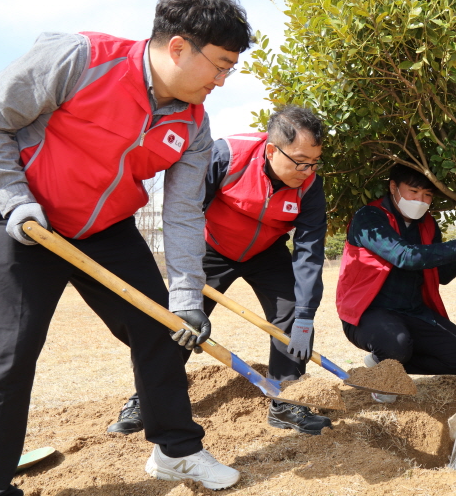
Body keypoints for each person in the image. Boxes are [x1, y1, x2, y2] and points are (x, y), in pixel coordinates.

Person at [0, 0, 253, 496]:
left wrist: (185, 296)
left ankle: (176, 451)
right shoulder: (80, 59)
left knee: (160, 329)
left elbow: (181, 214)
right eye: (220, 65)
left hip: (103, 229)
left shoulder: (193, 126)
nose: (224, 80)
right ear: (178, 47)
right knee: (9, 357)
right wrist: (15, 200)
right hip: (23, 220)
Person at [108, 106, 332, 437]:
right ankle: (146, 399)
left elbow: (309, 253)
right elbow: (186, 213)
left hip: (266, 252)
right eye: (300, 161)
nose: (307, 170)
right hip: (210, 247)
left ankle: (287, 402)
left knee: (292, 313)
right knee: (178, 322)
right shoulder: (227, 156)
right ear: (272, 149)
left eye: (314, 162)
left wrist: (305, 315)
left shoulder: (310, 187)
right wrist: (187, 287)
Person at [336, 164, 456, 402]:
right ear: (393, 187)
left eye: (427, 195)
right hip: (368, 313)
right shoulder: (369, 217)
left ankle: (385, 364)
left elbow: (442, 275)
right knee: (396, 343)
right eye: (413, 192)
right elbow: (403, 256)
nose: (420, 200)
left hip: (412, 311)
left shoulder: (427, 225)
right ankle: (386, 369)